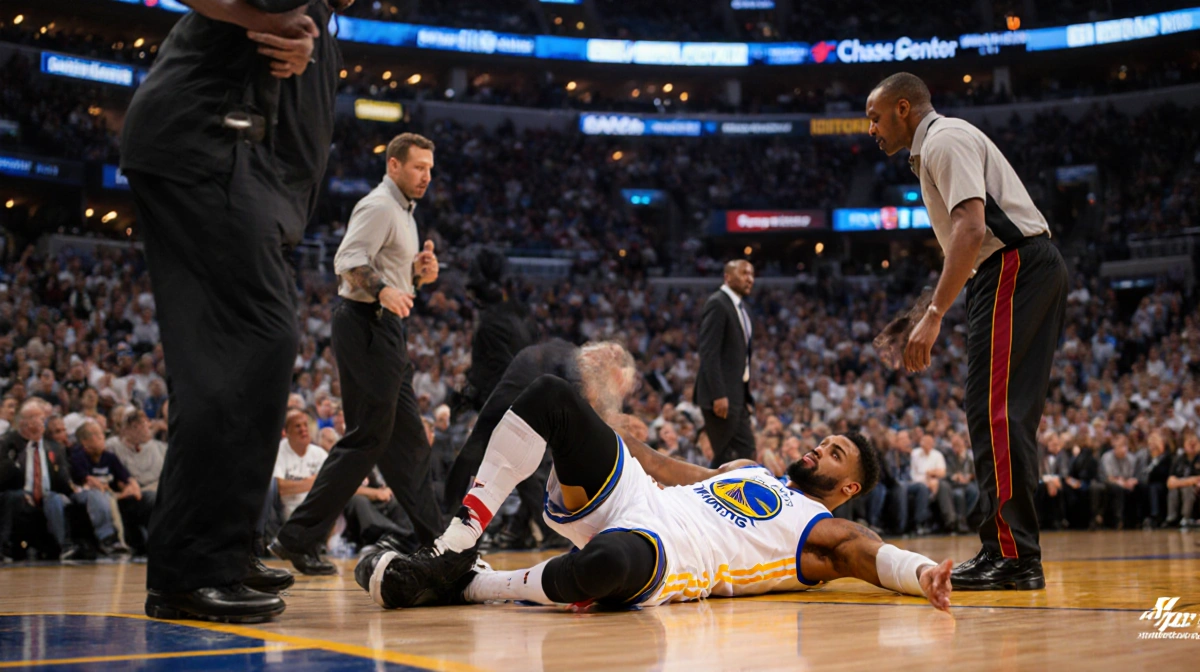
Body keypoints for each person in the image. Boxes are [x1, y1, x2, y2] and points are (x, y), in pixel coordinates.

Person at [120, 0, 350, 622]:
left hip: (233, 168)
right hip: (206, 150)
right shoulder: (295, 10)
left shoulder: (321, 19)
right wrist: (274, 25)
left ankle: (225, 548)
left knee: (249, 355)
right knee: (245, 353)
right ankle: (192, 569)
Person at [354, 376, 953, 612]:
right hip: (640, 497)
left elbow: (864, 552)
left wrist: (919, 571)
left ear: (847, 487)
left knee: (607, 564)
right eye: (825, 440)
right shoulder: (749, 469)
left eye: (835, 453)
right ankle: (456, 549)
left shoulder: (822, 535)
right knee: (551, 397)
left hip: (676, 556)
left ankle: (474, 586)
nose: (820, 447)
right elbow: (665, 467)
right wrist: (597, 433)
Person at [867, 72, 1068, 590]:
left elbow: (974, 230)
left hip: (1013, 266)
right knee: (1005, 415)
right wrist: (920, 311)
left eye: (874, 116)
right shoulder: (936, 146)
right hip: (1013, 269)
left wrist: (934, 314)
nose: (870, 128)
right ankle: (1013, 552)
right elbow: (966, 248)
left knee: (993, 412)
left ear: (904, 108)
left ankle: (1012, 555)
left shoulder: (945, 139)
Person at [272, 133, 444, 575]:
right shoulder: (379, 205)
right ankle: (297, 536)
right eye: (418, 167)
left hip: (384, 328)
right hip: (365, 324)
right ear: (393, 166)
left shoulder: (405, 211)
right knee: (367, 438)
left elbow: (388, 271)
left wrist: (416, 276)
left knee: (408, 443)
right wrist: (386, 288)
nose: (426, 175)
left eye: (429, 167)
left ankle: (439, 543)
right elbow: (347, 260)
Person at [696, 260, 757, 467]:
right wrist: (718, 394)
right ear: (727, 276)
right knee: (730, 455)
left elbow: (742, 359)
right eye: (744, 273)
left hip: (736, 394)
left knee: (742, 454)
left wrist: (745, 395)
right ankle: (702, 496)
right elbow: (709, 353)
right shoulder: (718, 303)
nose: (750, 278)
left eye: (751, 274)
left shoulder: (741, 307)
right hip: (721, 397)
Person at [0, 401, 77, 560]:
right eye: (33, 418)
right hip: (19, 494)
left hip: (47, 495)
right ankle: (4, 547)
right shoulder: (7, 443)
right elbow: (3, 477)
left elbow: (62, 479)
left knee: (55, 499)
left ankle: (62, 547)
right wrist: (27, 447)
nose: (38, 423)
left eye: (41, 419)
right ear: (22, 422)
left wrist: (72, 486)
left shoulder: (54, 447)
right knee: (15, 497)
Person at [69, 421, 150, 556]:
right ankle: (107, 538)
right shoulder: (78, 457)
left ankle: (145, 540)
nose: (102, 438)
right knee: (99, 496)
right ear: (85, 441)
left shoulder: (110, 457)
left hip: (112, 495)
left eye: (101, 434)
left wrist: (131, 488)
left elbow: (128, 479)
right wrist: (115, 493)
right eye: (97, 435)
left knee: (145, 497)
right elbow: (91, 482)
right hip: (87, 495)